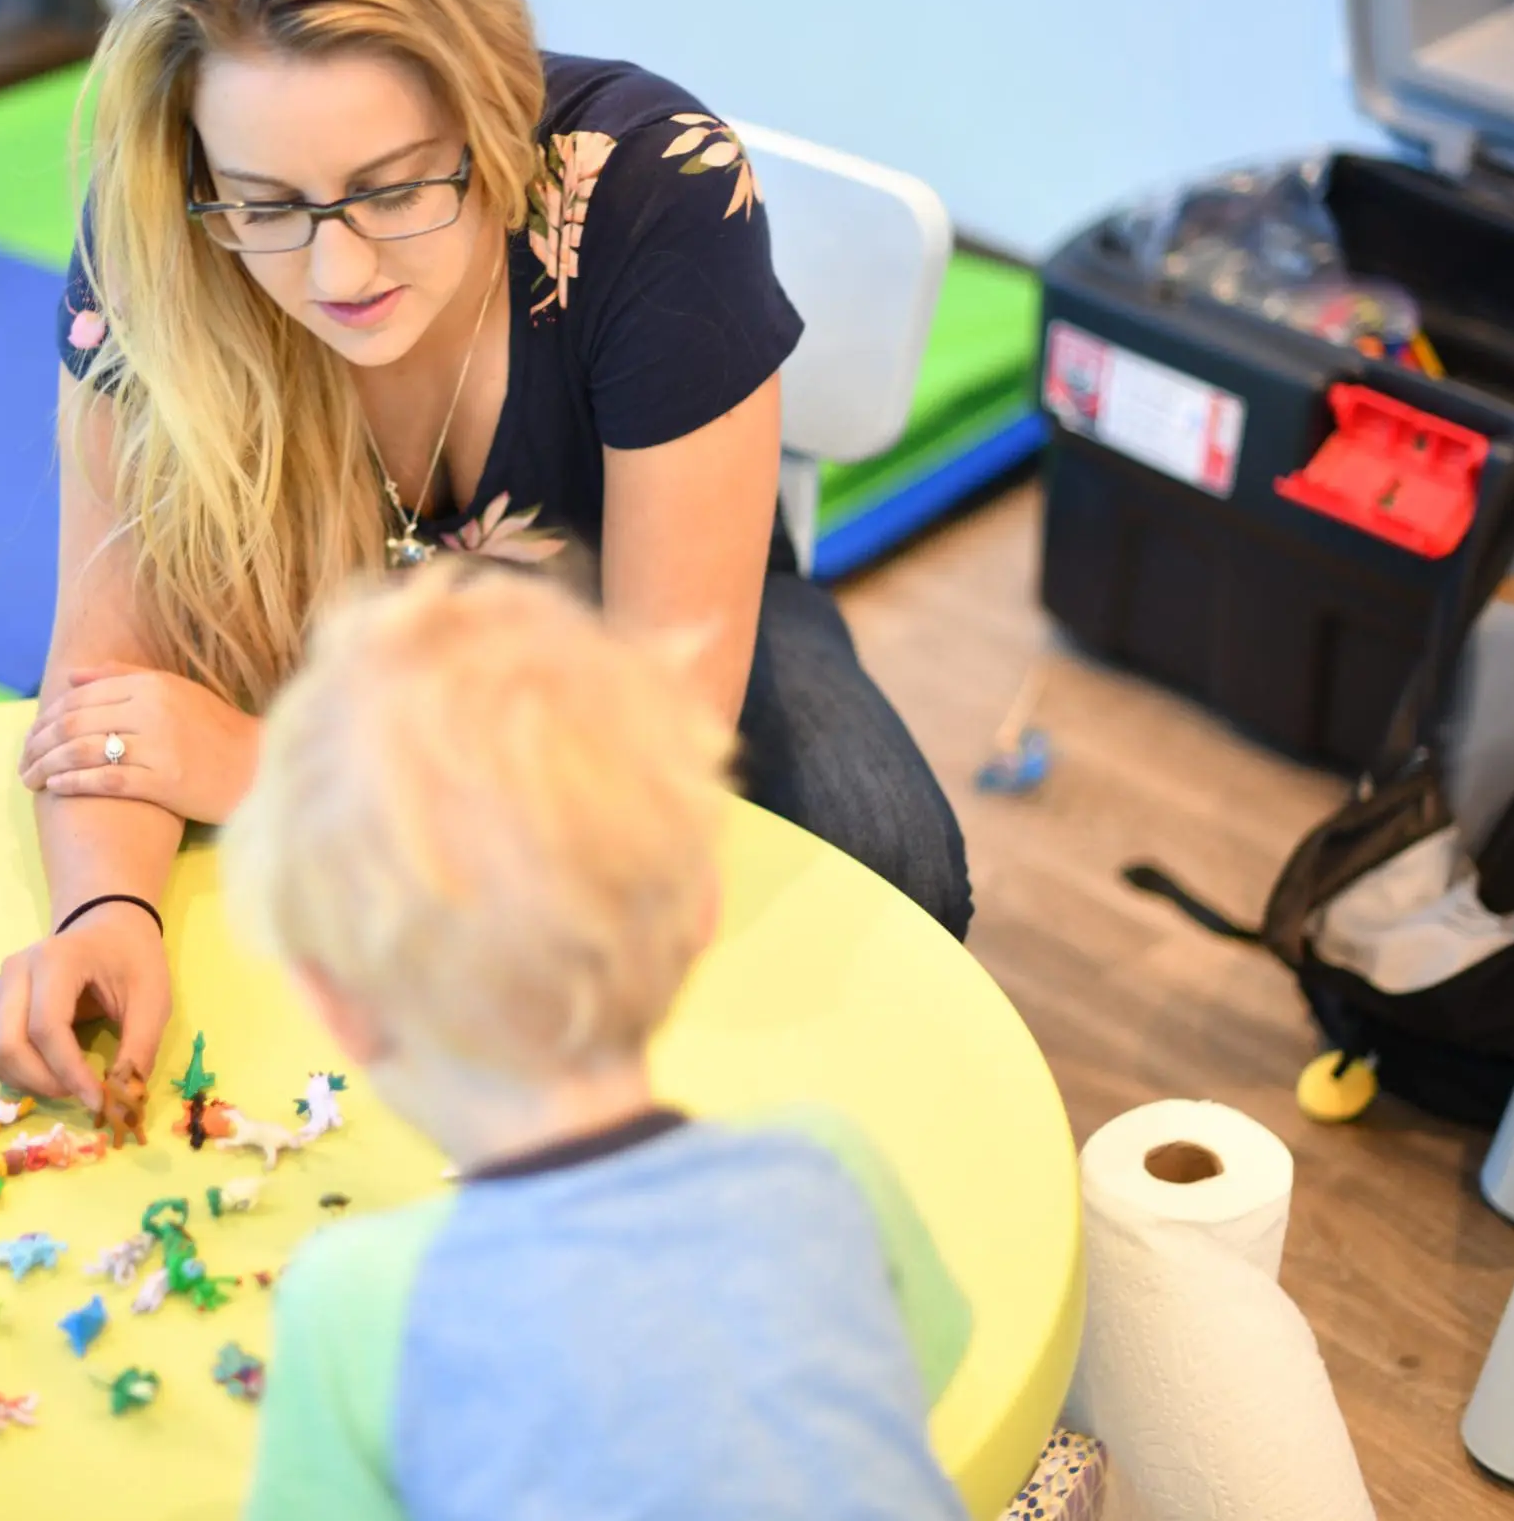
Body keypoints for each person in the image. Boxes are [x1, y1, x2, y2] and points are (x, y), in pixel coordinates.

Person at [0, 0, 970, 1100]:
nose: (339, 272)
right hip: (306, 632)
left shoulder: (651, 187)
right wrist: (103, 916)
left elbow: (654, 743)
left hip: (629, 628)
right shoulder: (158, 233)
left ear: (490, 108)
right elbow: (107, 681)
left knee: (881, 857)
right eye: (269, 208)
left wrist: (268, 771)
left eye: (395, 189)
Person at [220, 566, 974, 1521]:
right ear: (702, 906)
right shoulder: (834, 1169)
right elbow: (915, 1393)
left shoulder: (357, 1308)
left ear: (335, 1005)